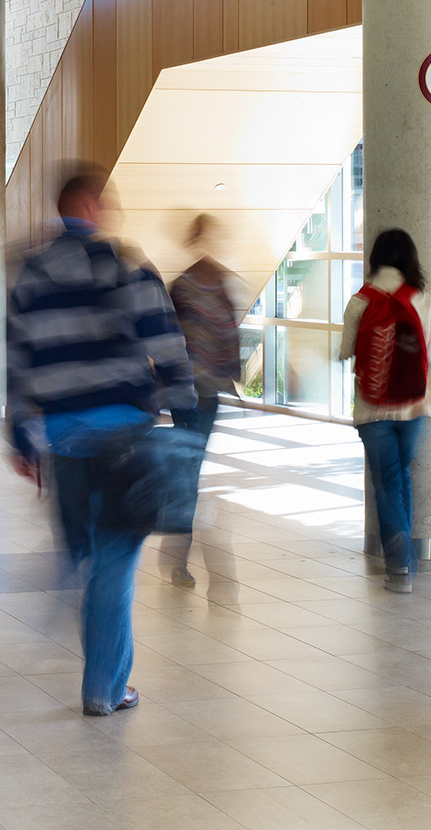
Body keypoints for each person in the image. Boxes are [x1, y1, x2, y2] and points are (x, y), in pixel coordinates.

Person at [8, 166, 194, 717]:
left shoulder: (30, 275)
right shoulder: (126, 267)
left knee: (87, 557)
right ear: (89, 206)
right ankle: (106, 686)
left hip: (63, 441)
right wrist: (184, 414)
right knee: (116, 560)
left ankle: (106, 675)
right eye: (105, 203)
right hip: (124, 439)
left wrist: (20, 433)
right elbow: (168, 343)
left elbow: (16, 361)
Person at [338, 228, 431, 595]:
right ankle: (407, 561)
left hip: (372, 408)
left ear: (375, 258)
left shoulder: (359, 301)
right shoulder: (422, 299)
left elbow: (347, 349)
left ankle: (400, 568)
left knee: (386, 484)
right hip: (415, 404)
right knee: (402, 479)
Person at [162, 213, 244, 588]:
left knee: (190, 465)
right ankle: (179, 552)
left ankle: (178, 544)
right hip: (187, 391)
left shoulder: (217, 283)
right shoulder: (182, 286)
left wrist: (232, 374)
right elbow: (169, 337)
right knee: (190, 467)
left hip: (206, 392)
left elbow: (229, 334)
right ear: (197, 239)